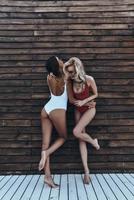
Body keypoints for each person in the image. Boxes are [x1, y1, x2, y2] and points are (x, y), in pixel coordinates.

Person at [63, 57, 100, 184]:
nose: (71, 74)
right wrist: (77, 102)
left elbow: (96, 94)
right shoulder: (69, 82)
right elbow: (71, 99)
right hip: (78, 110)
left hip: (89, 109)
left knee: (76, 132)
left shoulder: (89, 79)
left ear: (78, 70)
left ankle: (94, 142)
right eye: (69, 72)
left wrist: (87, 101)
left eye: (72, 72)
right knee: (79, 137)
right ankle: (86, 172)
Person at [39, 56, 68, 188]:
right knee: (63, 137)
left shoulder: (49, 78)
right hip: (58, 110)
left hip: (47, 109)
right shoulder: (66, 77)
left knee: (45, 143)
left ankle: (47, 177)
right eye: (59, 59)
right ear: (57, 65)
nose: (62, 60)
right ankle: (47, 153)